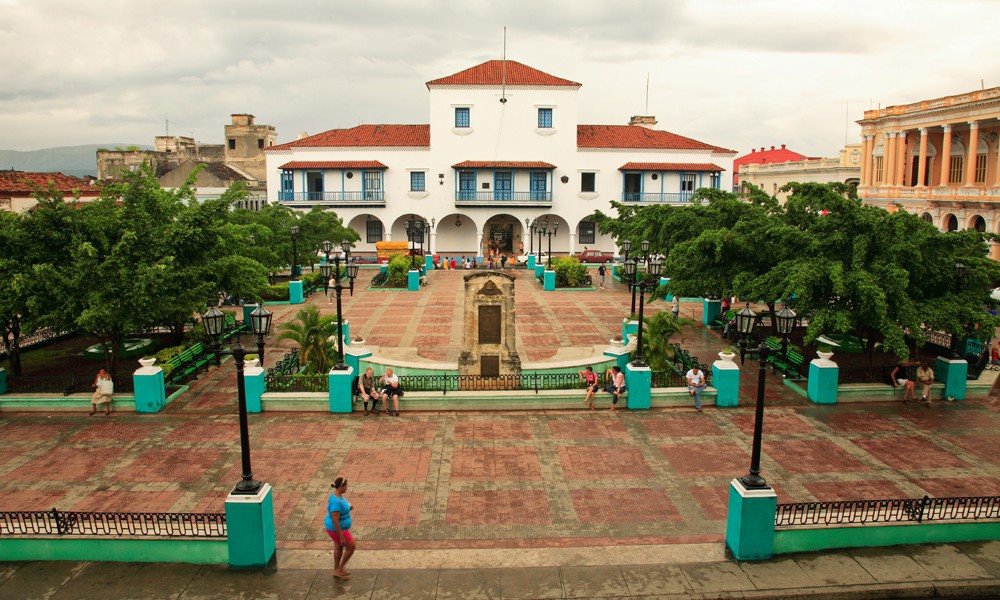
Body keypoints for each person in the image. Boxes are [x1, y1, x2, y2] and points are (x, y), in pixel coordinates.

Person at [325, 477, 355, 580]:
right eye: (346, 485)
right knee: (351, 547)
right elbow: (335, 520)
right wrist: (341, 536)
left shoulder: (337, 496)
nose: (347, 487)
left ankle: (336, 569)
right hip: (338, 530)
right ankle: (340, 569)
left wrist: (348, 508)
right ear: (342, 486)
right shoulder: (336, 502)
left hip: (337, 529)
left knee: (338, 547)